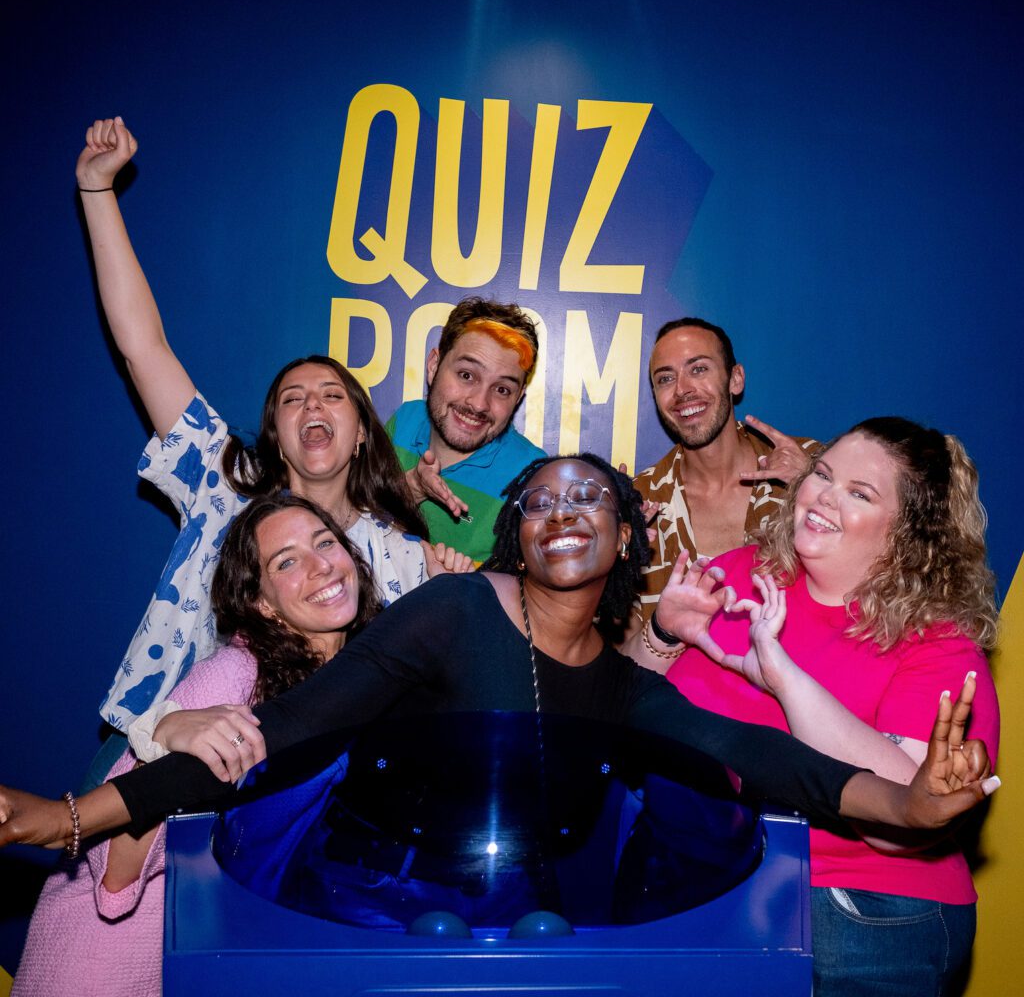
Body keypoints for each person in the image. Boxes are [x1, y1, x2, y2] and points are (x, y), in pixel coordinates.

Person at [0, 457, 998, 871]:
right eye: (541, 502)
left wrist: (909, 807)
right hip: (379, 905)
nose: (564, 514)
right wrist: (72, 816)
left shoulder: (624, 685)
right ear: (513, 535)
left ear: (624, 544)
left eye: (589, 502)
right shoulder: (448, 609)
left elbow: (775, 762)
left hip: (533, 927)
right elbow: (276, 736)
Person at [76, 117, 469, 736]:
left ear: (363, 431)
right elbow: (143, 347)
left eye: (332, 395)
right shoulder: (220, 484)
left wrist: (453, 600)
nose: (312, 406)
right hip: (166, 756)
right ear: (276, 433)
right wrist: (97, 193)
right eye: (293, 399)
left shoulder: (403, 559)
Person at [649, 417, 999, 996]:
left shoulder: (939, 646)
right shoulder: (743, 571)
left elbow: (902, 823)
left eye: (859, 493)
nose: (822, 496)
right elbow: (632, 711)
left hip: (859, 908)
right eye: (822, 474)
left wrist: (780, 674)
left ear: (912, 531)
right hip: (707, 884)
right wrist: (662, 634)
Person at [12, 494, 380, 997]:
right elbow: (115, 875)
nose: (321, 566)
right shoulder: (237, 674)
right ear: (261, 602)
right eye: (287, 561)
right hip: (109, 957)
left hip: (218, 950)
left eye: (325, 543)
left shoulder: (363, 679)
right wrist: (163, 736)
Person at [629, 317, 816, 651]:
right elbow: (619, 651)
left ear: (735, 379)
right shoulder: (639, 502)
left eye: (698, 369)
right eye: (665, 378)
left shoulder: (814, 469)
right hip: (677, 698)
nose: (682, 389)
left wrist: (816, 484)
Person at [387, 296, 547, 562]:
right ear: (433, 366)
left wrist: (465, 586)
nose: (479, 404)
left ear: (517, 399)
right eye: (466, 375)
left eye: (502, 389)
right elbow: (353, 524)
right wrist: (412, 488)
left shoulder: (531, 475)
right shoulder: (405, 421)